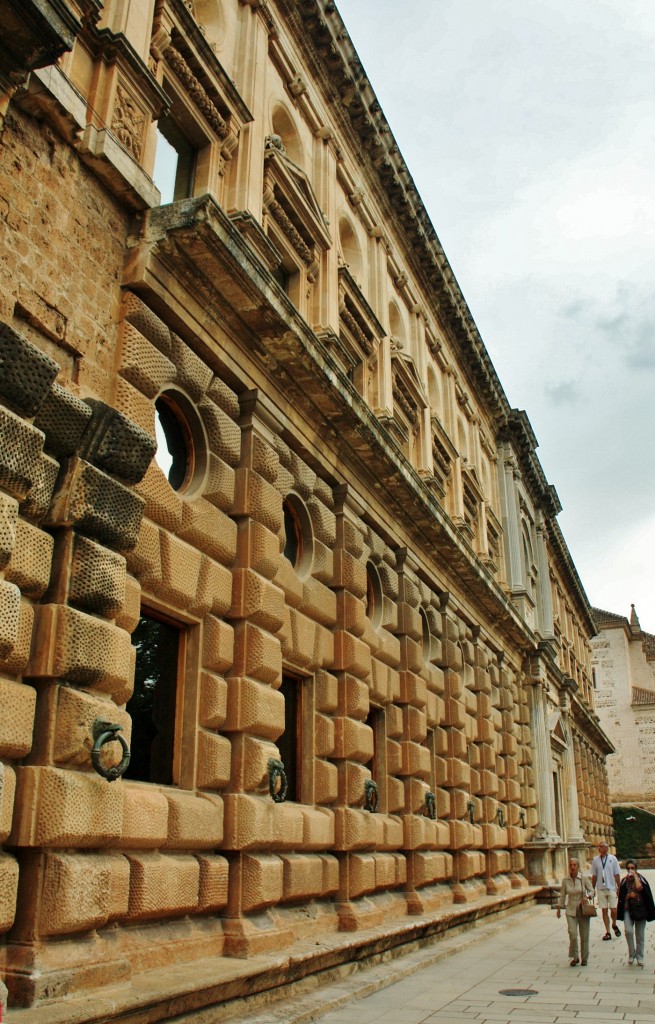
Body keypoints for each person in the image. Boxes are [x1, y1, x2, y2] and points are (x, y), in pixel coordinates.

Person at [617, 859, 655, 967]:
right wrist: (629, 895)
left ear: (636, 869)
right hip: (628, 909)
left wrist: (635, 876)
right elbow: (621, 896)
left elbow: (639, 887)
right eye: (628, 868)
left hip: (641, 909)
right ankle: (631, 953)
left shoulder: (641, 879)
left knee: (640, 935)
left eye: (632, 868)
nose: (630, 870)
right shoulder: (624, 881)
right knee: (628, 931)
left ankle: (640, 956)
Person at [557, 857, 594, 966]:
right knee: (572, 934)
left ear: (578, 866)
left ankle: (585, 958)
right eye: (570, 865)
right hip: (571, 910)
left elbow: (592, 891)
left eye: (574, 865)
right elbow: (562, 894)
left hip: (583, 909)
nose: (572, 867)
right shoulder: (565, 880)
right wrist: (559, 908)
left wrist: (587, 896)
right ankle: (575, 956)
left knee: (584, 935)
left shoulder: (583, 878)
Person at [591, 840, 621, 940]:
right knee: (604, 910)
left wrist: (619, 887)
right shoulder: (595, 860)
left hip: (611, 887)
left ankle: (614, 924)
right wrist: (592, 888)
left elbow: (616, 874)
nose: (599, 848)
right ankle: (608, 931)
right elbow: (594, 875)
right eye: (598, 846)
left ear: (606, 848)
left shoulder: (613, 859)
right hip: (601, 888)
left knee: (614, 909)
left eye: (601, 846)